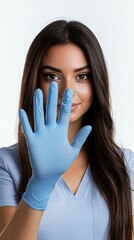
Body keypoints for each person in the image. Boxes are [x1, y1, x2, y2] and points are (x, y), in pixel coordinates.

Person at [0, 19, 134, 240]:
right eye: (52, 76)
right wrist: (40, 186)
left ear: (96, 82)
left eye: (82, 76)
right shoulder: (7, 164)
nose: (67, 90)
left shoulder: (125, 165)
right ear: (34, 81)